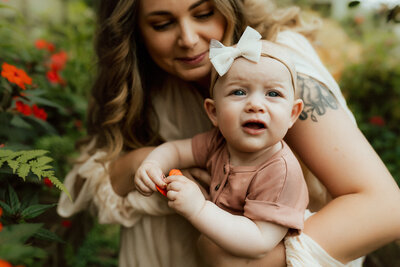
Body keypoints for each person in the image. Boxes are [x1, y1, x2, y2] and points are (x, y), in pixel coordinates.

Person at [57, 0, 400, 266]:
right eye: (162, 23)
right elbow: (97, 175)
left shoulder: (275, 68)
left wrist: (237, 255)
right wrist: (147, 164)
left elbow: (384, 208)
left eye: (204, 13)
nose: (189, 39)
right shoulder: (147, 80)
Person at [134, 27, 308, 259]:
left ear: (292, 114)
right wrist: (153, 164)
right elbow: (176, 150)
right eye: (239, 92)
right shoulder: (218, 142)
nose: (255, 104)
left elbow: (259, 242)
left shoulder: (280, 171)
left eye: (273, 94)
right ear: (213, 112)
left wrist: (199, 208)